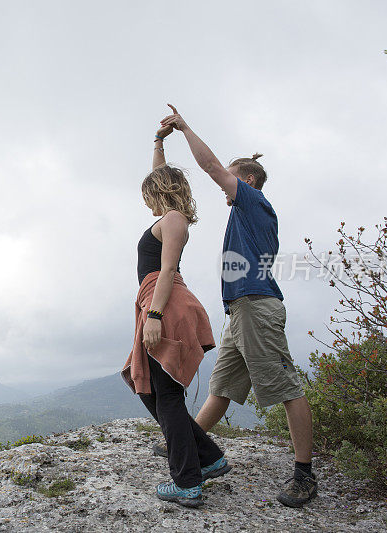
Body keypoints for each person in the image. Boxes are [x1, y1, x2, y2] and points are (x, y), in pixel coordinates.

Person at [159, 105, 317, 508]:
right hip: (241, 310)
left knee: (285, 387)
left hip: (258, 307)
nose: (223, 185)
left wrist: (185, 128)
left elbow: (211, 166)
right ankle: (191, 447)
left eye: (232, 178)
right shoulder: (246, 214)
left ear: (247, 181)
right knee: (223, 387)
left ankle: (305, 474)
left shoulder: (254, 203)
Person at [120, 118, 231, 508]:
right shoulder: (170, 217)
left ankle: (187, 482)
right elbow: (159, 175)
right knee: (149, 387)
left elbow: (167, 270)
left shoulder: (172, 219)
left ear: (160, 193)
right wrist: (158, 142)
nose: (146, 201)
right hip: (159, 302)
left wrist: (153, 317)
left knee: (165, 395)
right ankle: (210, 459)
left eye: (149, 194)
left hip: (164, 305)